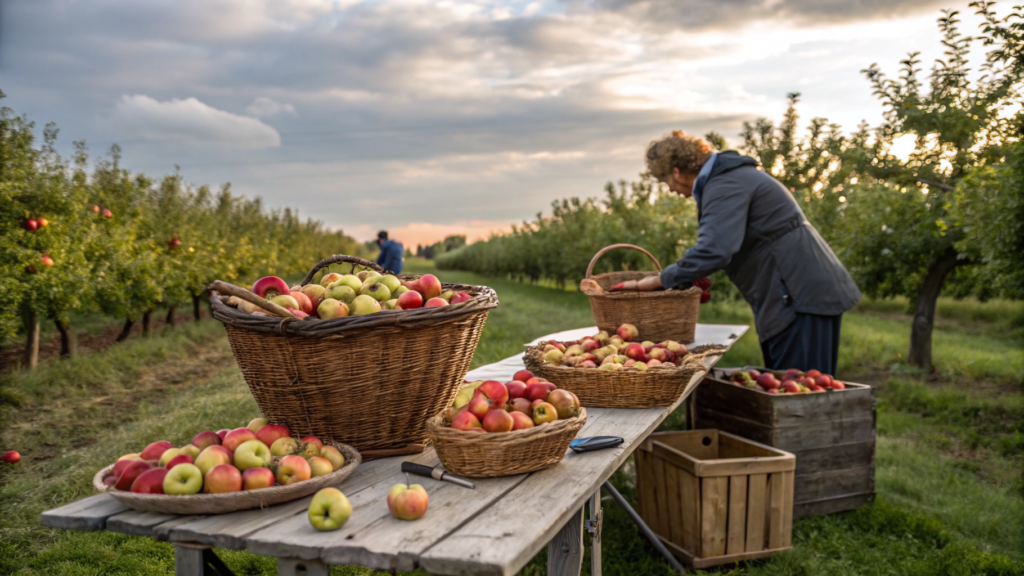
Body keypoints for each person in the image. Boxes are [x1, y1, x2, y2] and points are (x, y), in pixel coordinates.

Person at [613, 131, 861, 375]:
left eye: (664, 180)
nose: (669, 189)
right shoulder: (732, 177)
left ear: (675, 171)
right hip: (798, 291)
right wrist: (686, 276)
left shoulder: (724, 183)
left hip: (797, 294)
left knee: (800, 393)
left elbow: (715, 249)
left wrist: (660, 280)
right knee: (796, 387)